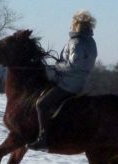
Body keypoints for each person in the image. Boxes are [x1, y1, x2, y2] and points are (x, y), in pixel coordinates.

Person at [27, 10, 98, 151]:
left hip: (68, 83)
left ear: (76, 25)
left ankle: (43, 139)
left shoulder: (76, 42)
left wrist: (57, 66)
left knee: (41, 104)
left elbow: (72, 65)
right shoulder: (91, 42)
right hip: (80, 82)